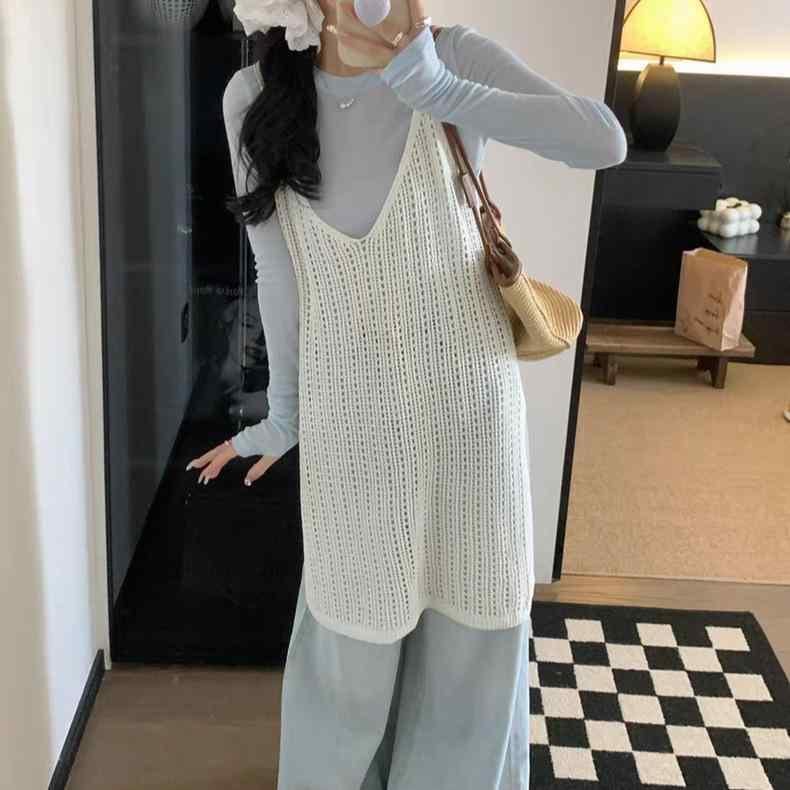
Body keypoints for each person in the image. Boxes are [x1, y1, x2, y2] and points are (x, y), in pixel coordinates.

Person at [187, 1, 627, 786]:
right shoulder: (252, 98)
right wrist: (284, 416)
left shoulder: (453, 59)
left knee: (469, 669)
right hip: (351, 436)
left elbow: (603, 140)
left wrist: (437, 87)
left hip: (473, 427)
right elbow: (279, 273)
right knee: (346, 672)